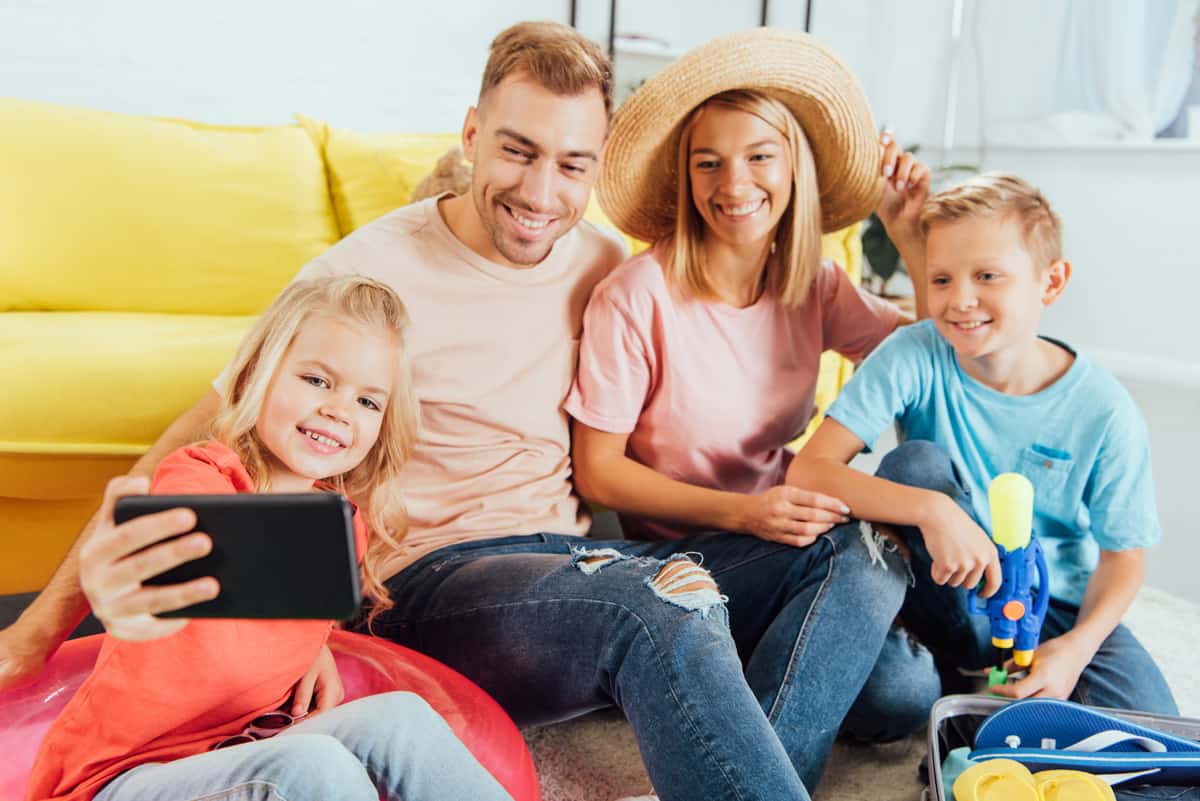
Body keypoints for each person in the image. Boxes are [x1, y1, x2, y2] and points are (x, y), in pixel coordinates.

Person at [6, 22, 888, 801]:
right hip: (439, 580)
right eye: (517, 151)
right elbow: (204, 436)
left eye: (571, 164)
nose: (540, 192)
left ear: (596, 165)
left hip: (574, 563)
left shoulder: (597, 258)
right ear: (470, 135)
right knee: (655, 603)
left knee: (847, 548)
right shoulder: (365, 276)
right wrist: (40, 627)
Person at [564, 28, 940, 787]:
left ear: (793, 167)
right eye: (709, 162)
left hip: (786, 539)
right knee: (860, 563)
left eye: (759, 156)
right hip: (687, 557)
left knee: (907, 693)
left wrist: (910, 238)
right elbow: (598, 473)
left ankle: (745, 679)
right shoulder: (637, 295)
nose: (733, 183)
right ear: (686, 176)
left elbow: (932, 360)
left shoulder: (814, 283)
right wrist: (746, 514)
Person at [23, 276, 514, 801]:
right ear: (258, 373)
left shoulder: (341, 525)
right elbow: (198, 555)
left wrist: (309, 643)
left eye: (369, 402)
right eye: (317, 380)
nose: (339, 410)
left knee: (401, 718)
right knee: (315, 765)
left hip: (238, 753)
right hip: (119, 781)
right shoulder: (197, 477)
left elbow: (271, 603)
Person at [787, 172, 1178, 718]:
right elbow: (809, 471)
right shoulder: (913, 354)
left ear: (1051, 282)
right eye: (941, 279)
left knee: (1152, 734)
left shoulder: (1105, 411)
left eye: (987, 276)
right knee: (916, 465)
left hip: (1050, 609)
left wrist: (1076, 649)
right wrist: (933, 509)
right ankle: (949, 670)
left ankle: (982, 683)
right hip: (940, 597)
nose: (960, 300)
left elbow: (1124, 557)